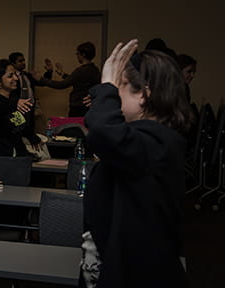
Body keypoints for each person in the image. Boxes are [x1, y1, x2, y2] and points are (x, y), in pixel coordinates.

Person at [81, 40, 190, 288]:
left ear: (143, 93)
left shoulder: (157, 142)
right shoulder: (144, 138)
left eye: (120, 86)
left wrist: (106, 85)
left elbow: (101, 131)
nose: (113, 92)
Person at [0, 60, 41, 157]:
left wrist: (32, 136)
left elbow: (18, 124)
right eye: (10, 76)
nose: (16, 78)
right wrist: (14, 103)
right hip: (0, 156)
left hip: (16, 154)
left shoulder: (12, 100)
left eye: (15, 74)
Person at [37, 42, 100, 117]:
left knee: (74, 127)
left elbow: (61, 85)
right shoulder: (95, 70)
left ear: (83, 55)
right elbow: (78, 81)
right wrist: (62, 74)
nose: (77, 56)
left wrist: (41, 79)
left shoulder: (81, 70)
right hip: (89, 107)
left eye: (77, 54)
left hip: (78, 108)